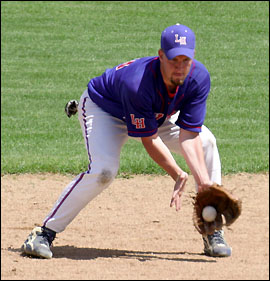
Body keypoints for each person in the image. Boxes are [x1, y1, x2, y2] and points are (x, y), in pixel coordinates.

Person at [22, 23, 231, 259]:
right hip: (105, 110)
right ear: (160, 56)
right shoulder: (138, 83)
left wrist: (203, 184)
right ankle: (43, 233)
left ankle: (212, 229)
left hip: (153, 114)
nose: (180, 67)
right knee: (104, 171)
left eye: (186, 60)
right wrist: (177, 173)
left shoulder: (198, 78)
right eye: (174, 60)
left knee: (207, 141)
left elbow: (189, 135)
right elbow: (149, 140)